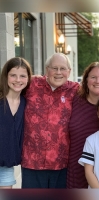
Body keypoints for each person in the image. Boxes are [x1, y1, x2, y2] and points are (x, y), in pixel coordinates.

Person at [21, 53, 79, 188]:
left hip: (61, 164)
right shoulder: (32, 84)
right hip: (32, 162)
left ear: (69, 72)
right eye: (54, 68)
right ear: (47, 70)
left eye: (63, 68)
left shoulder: (76, 90)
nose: (59, 73)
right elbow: (9, 86)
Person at [0, 57, 32, 188]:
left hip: (6, 166)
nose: (18, 80)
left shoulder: (26, 103)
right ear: (5, 76)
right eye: (13, 75)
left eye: (23, 76)